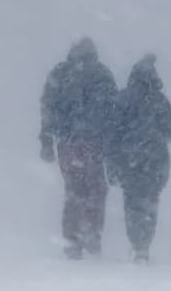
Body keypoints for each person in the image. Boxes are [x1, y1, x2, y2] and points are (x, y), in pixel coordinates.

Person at [39, 37, 119, 260]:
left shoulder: (61, 73)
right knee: (96, 189)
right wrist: (114, 144)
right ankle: (91, 235)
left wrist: (46, 141)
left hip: (68, 142)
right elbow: (114, 113)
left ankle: (72, 241)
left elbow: (48, 108)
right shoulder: (102, 74)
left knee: (74, 190)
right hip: (95, 143)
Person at [110, 53, 171, 263]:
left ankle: (135, 242)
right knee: (150, 203)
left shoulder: (122, 99)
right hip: (155, 162)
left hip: (128, 162)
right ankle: (144, 245)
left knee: (132, 202)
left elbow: (112, 134)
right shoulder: (160, 100)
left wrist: (113, 162)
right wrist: (155, 139)